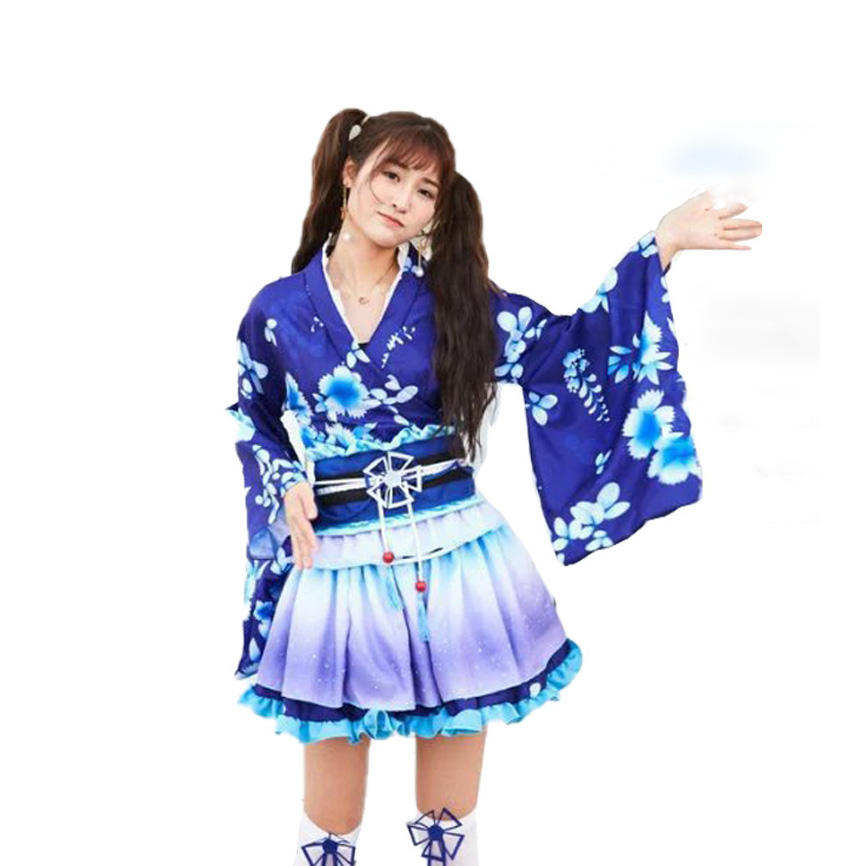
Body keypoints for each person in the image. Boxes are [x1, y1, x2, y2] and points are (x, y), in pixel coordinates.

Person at [225, 109, 762, 865]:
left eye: (425, 189)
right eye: (390, 175)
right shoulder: (277, 311)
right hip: (338, 562)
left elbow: (568, 350)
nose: (403, 199)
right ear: (350, 174)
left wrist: (660, 246)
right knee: (329, 822)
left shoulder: (457, 302)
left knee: (446, 822)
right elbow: (251, 412)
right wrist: (283, 480)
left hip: (454, 561)